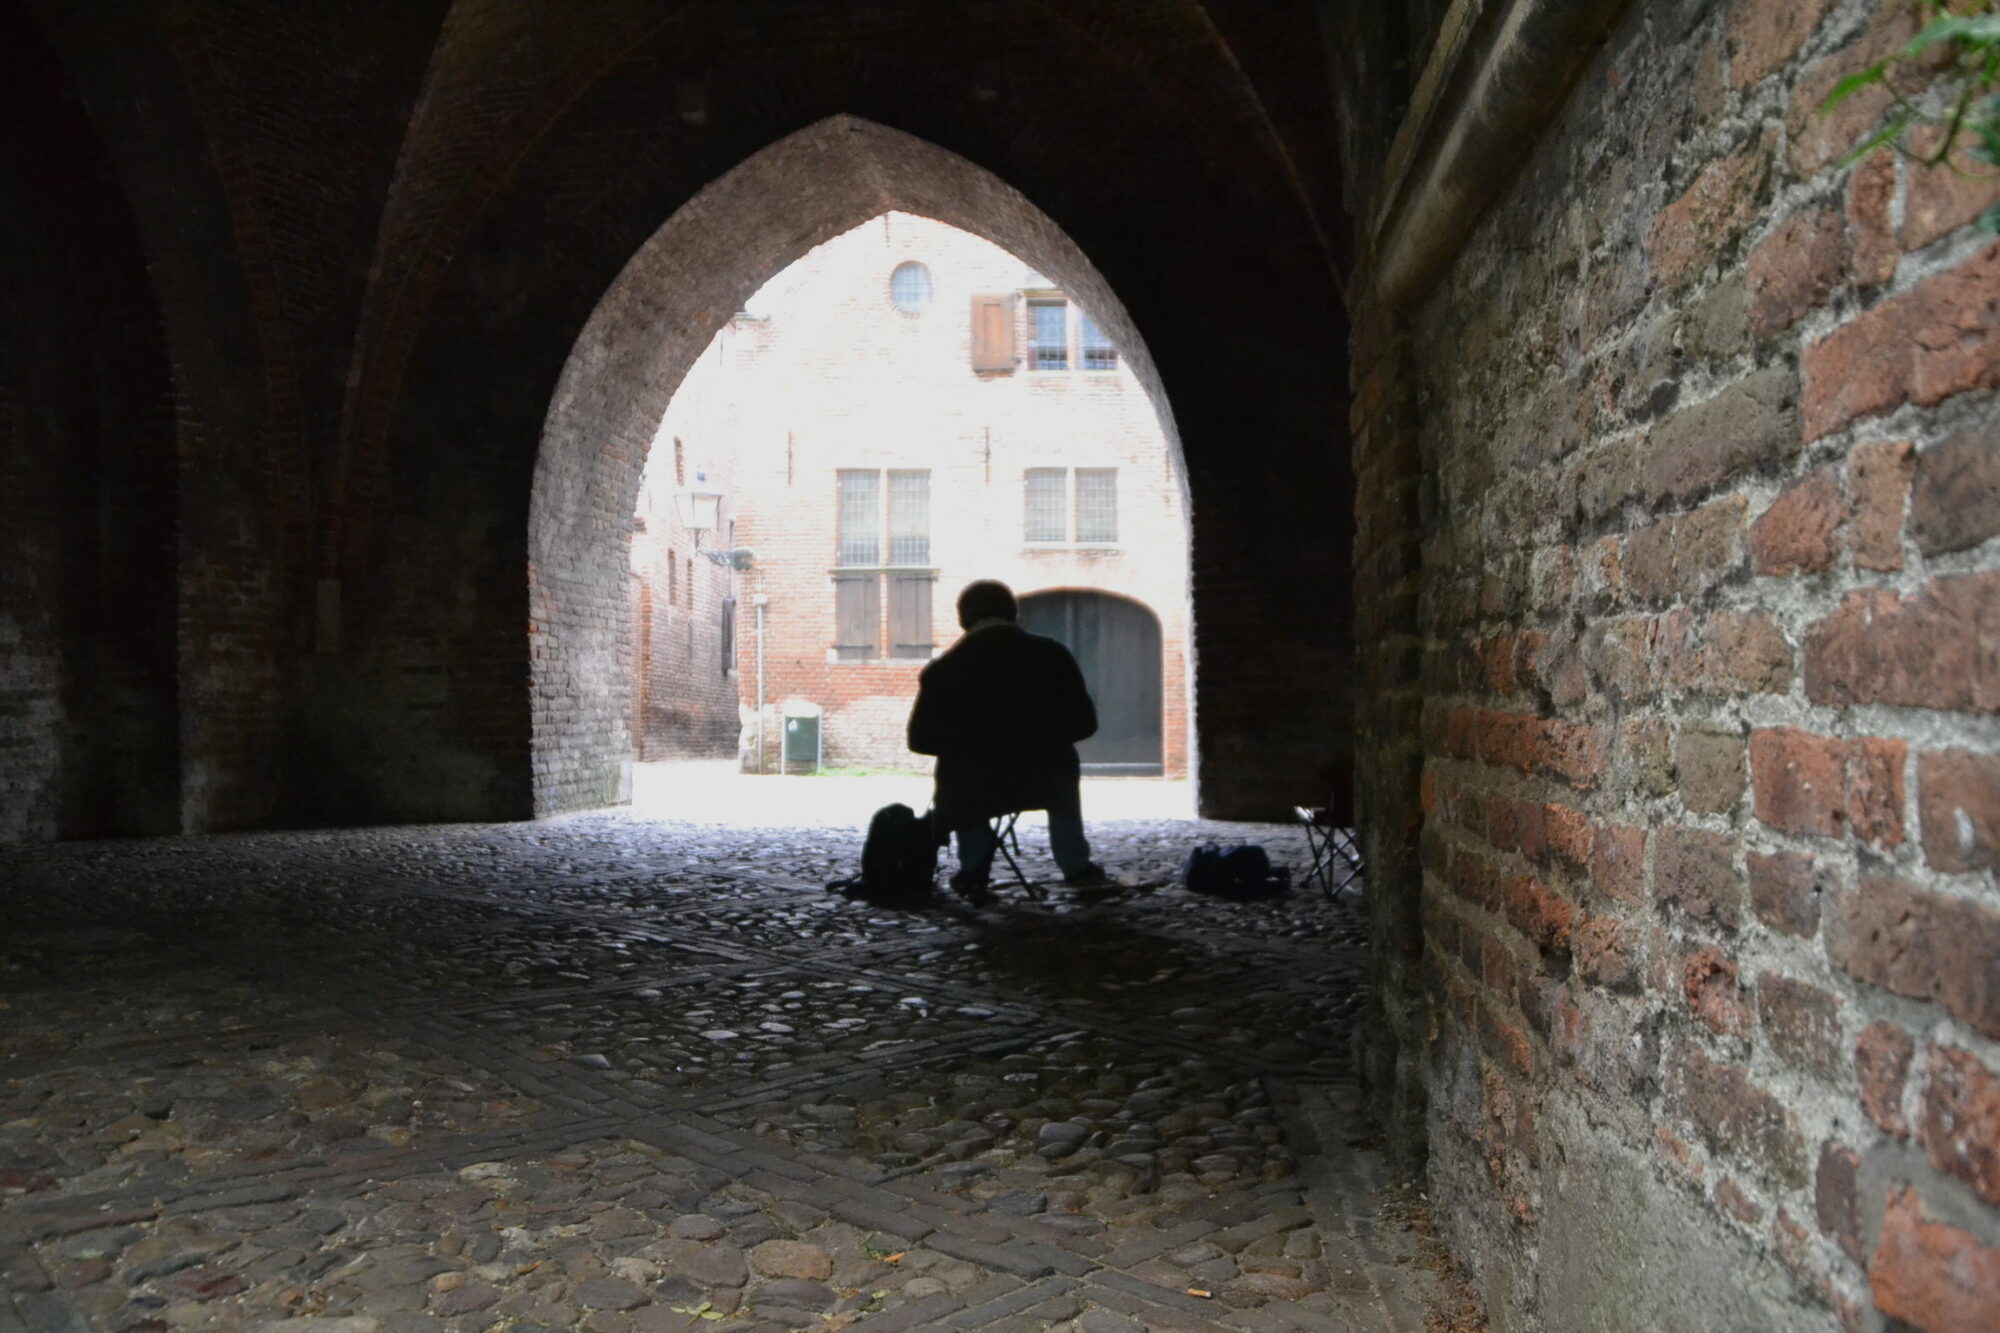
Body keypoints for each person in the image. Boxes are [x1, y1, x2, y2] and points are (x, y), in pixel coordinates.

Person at [907, 579, 1109, 899]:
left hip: (975, 786)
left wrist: (970, 746)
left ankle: (973, 869)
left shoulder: (943, 670)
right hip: (1045, 779)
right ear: (1013, 613)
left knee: (963, 786)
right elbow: (1085, 723)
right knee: (1062, 780)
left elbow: (920, 740)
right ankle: (1075, 865)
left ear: (964, 618)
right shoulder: (1053, 655)